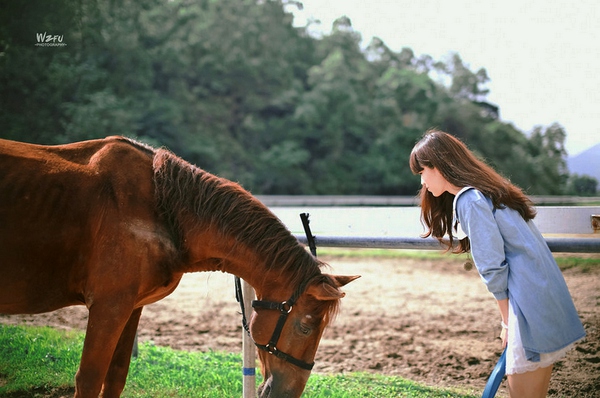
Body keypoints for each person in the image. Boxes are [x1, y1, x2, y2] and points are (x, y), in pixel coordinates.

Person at [409, 129, 586, 397]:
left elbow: (492, 267)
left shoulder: (470, 200)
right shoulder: (492, 192)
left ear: (440, 166)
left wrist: (506, 322)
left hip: (526, 302)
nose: (422, 182)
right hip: (543, 294)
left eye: (422, 171)